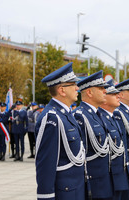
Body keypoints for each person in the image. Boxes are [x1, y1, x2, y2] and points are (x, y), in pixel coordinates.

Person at [35, 62, 85, 200]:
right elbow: (45, 164)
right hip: (65, 194)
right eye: (73, 85)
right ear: (62, 90)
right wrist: (46, 197)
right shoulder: (52, 118)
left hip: (75, 190)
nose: (77, 88)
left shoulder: (66, 115)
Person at [73, 70, 113, 200]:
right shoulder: (80, 116)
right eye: (101, 88)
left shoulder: (97, 114)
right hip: (93, 184)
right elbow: (80, 157)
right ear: (89, 92)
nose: (105, 92)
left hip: (103, 182)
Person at [98, 79, 129, 200]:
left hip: (119, 175)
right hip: (108, 178)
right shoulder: (100, 118)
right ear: (104, 98)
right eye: (113, 94)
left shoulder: (113, 117)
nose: (118, 96)